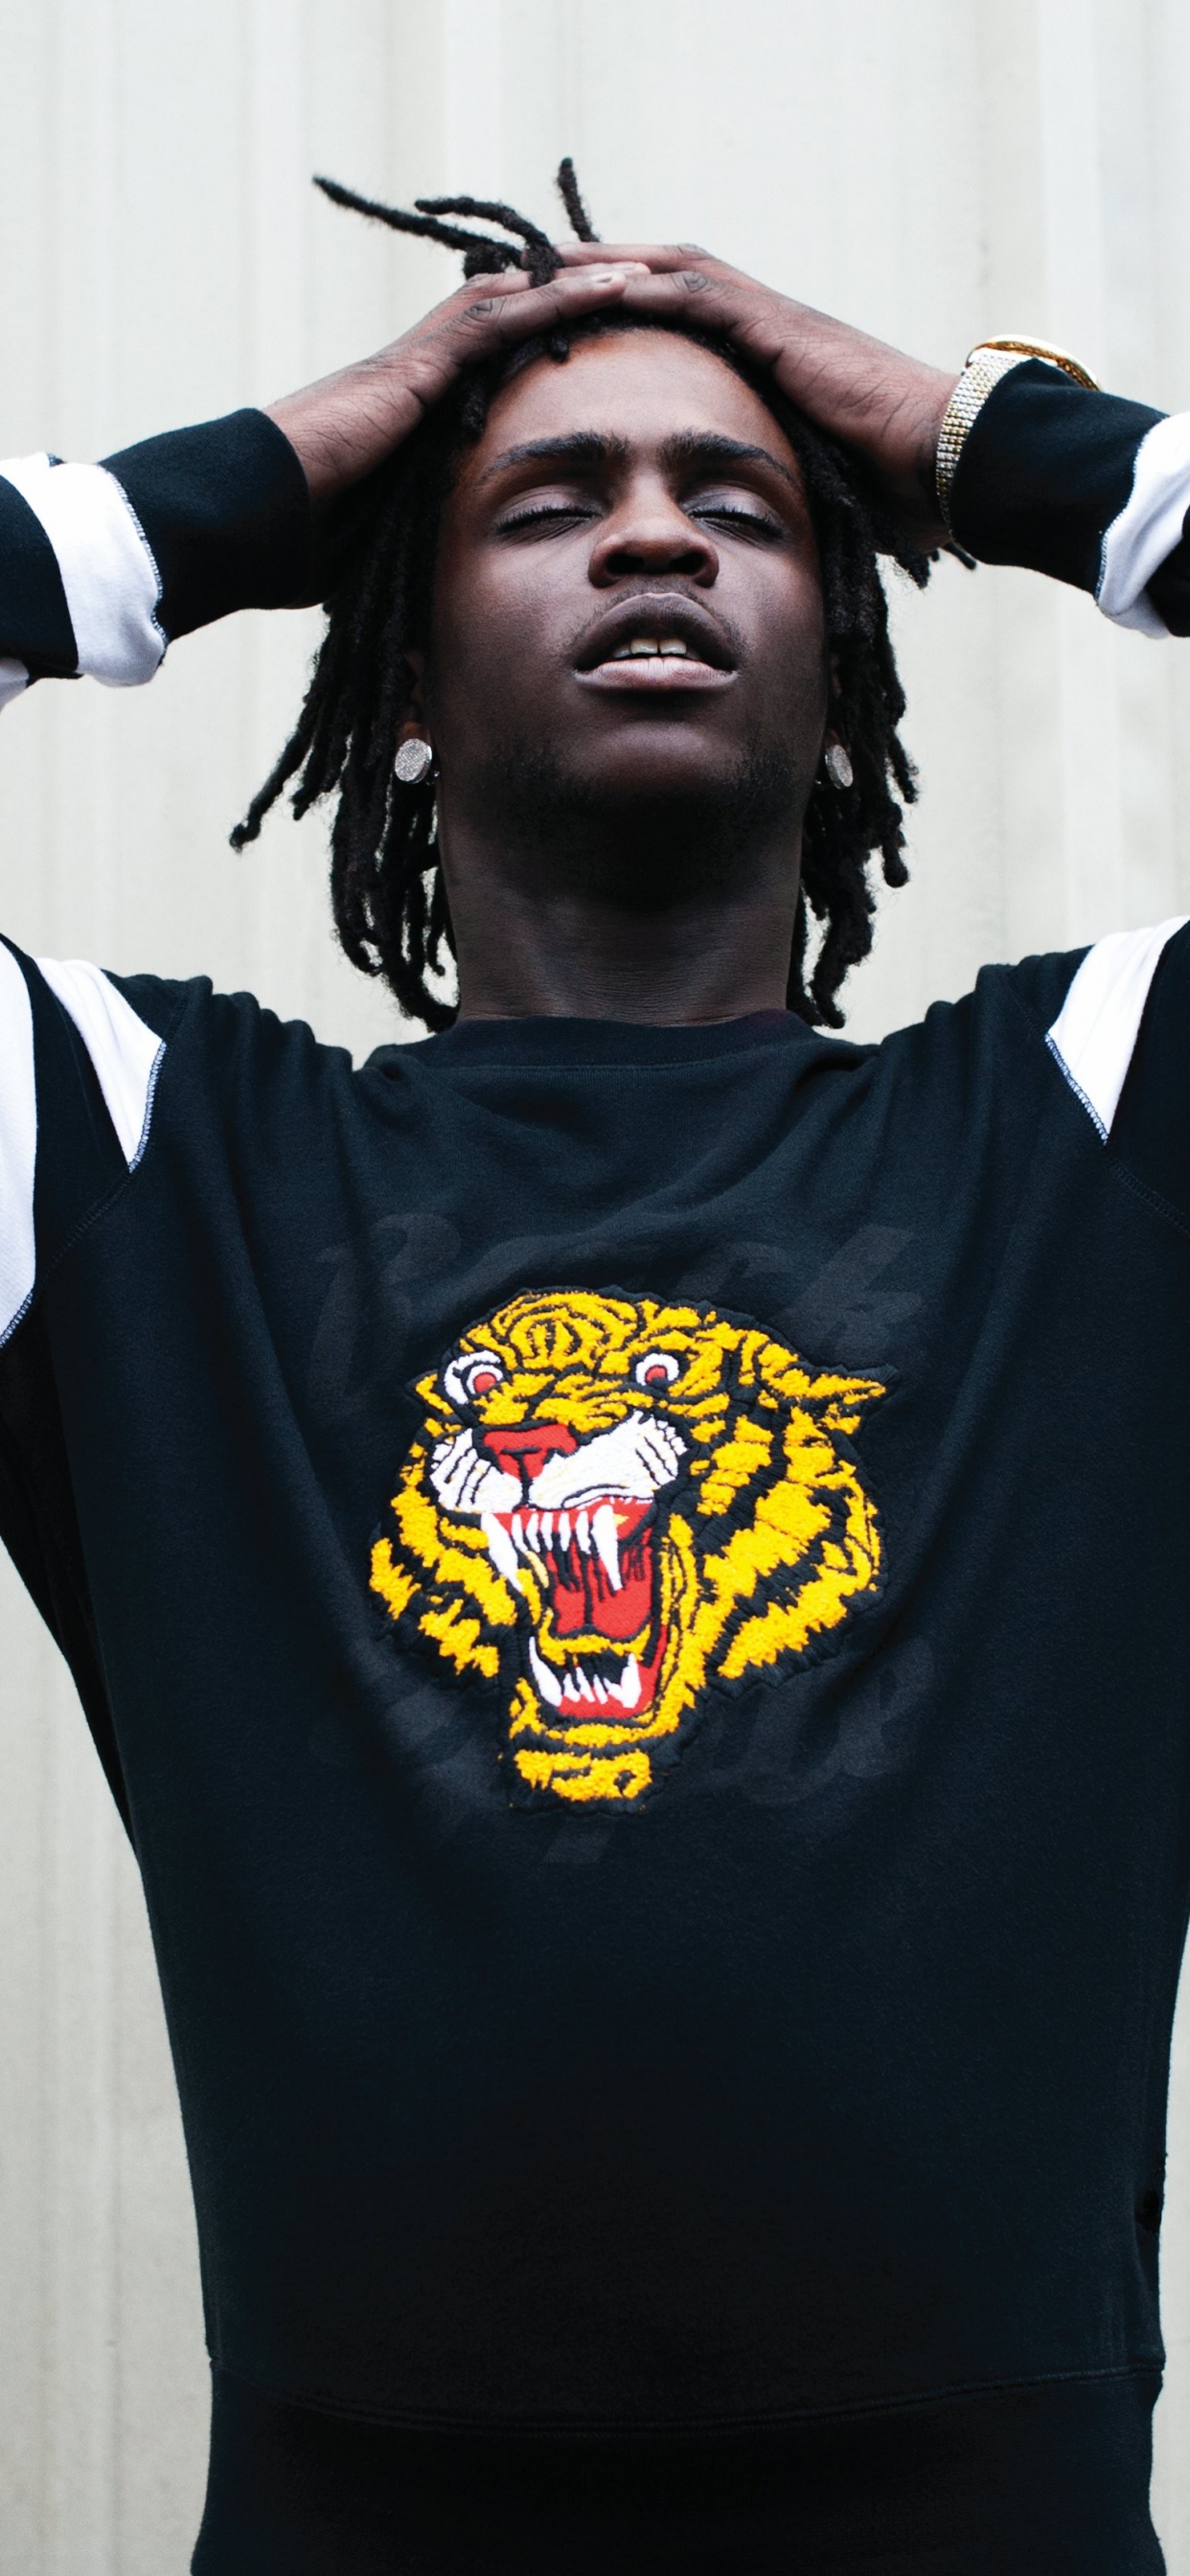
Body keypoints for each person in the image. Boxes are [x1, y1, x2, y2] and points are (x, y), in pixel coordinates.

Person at [1, 163, 1188, 2575]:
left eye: (738, 509)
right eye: (548, 506)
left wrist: (975, 442)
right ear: (401, 679)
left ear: (844, 669)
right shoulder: (137, 1158)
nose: (653, 535)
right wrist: (259, 485)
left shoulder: (1095, 1120)